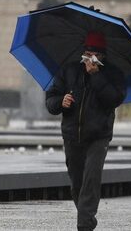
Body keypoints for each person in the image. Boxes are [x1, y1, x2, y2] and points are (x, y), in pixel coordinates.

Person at [46, 31, 126, 231]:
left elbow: (114, 99)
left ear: (102, 56)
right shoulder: (69, 71)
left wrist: (96, 76)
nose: (90, 57)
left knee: (91, 179)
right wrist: (61, 101)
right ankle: (86, 217)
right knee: (77, 184)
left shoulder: (114, 74)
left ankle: (84, 225)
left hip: (99, 136)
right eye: (88, 52)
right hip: (73, 136)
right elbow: (50, 100)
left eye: (95, 54)